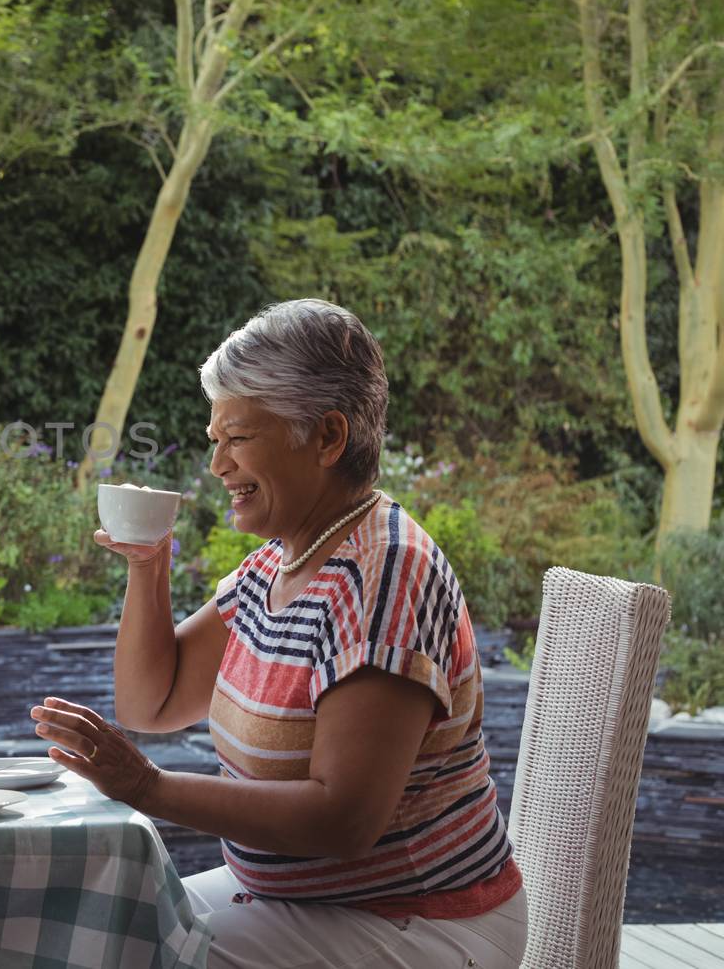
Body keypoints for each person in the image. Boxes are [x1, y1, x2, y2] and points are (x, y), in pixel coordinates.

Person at [31, 299, 528, 968]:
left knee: (124, 956)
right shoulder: (281, 561)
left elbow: (343, 820)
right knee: (77, 928)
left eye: (237, 438)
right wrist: (148, 566)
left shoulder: (384, 574)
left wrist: (147, 788)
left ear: (327, 437)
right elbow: (152, 702)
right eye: (216, 441)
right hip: (296, 903)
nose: (217, 466)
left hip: (419, 921)